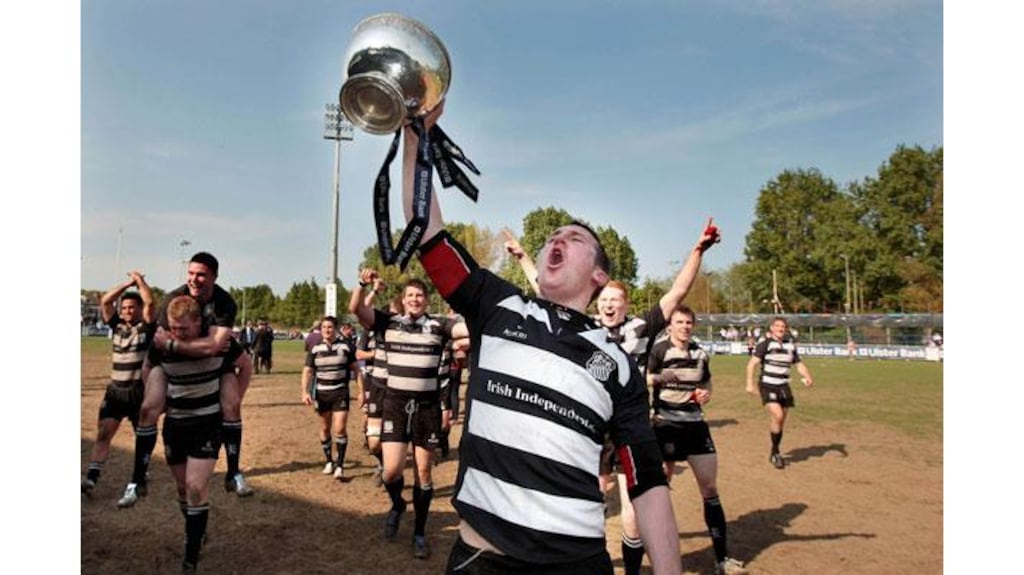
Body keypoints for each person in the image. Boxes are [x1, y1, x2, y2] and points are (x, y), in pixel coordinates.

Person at [401, 103, 682, 574]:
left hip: (575, 564)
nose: (557, 238)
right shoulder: (496, 303)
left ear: (598, 275)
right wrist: (415, 137)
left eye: (573, 237)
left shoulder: (618, 363)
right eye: (553, 234)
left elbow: (648, 482)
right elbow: (426, 231)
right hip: (480, 559)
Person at [592, 224, 720, 575]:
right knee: (591, 503)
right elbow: (545, 294)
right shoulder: (585, 331)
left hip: (628, 430)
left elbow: (677, 292)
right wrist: (526, 258)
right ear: (597, 303)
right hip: (590, 431)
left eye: (615, 300)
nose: (608, 304)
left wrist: (697, 252)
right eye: (603, 299)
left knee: (632, 516)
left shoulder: (641, 328)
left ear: (625, 305)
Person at [118, 251, 253, 507]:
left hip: (214, 366)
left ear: (214, 277)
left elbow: (215, 348)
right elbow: (159, 346)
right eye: (190, 273)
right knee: (148, 409)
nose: (194, 279)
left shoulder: (225, 303)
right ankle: (137, 479)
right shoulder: (172, 299)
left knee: (232, 405)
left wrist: (176, 345)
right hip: (171, 365)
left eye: (201, 274)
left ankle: (233, 472)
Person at [351, 270, 467, 560]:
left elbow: (467, 330)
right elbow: (356, 309)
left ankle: (419, 532)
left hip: (426, 408)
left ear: (426, 301)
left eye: (419, 296)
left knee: (423, 473)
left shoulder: (438, 325)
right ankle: (398, 505)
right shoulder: (388, 322)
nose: (415, 299)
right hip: (395, 405)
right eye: (410, 296)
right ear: (403, 301)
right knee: (391, 471)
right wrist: (362, 285)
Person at [147, 295, 251, 573]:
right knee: (182, 489)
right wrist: (158, 396)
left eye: (184, 328)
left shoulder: (219, 343)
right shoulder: (161, 343)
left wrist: (233, 401)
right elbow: (148, 369)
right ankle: (196, 529)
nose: (177, 333)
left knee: (195, 487)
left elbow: (246, 365)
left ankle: (190, 556)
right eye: (173, 328)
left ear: (198, 322)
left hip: (207, 424)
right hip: (175, 425)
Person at [645, 305, 746, 575]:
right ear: (670, 326)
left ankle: (722, 559)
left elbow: (708, 382)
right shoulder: (660, 350)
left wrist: (706, 393)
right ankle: (656, 551)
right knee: (658, 491)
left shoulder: (701, 353)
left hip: (696, 426)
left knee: (710, 488)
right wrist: (659, 377)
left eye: (689, 322)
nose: (685, 326)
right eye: (679, 322)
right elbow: (644, 377)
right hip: (665, 425)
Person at [81, 271, 156, 496]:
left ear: (140, 310)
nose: (126, 311)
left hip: (138, 393)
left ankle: (141, 475)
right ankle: (91, 479)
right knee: (104, 434)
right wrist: (127, 284)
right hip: (115, 392)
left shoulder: (147, 328)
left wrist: (141, 282)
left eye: (132, 307)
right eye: (123, 308)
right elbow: (105, 301)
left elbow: (151, 302)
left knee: (142, 437)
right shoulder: (116, 326)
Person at [745, 316, 815, 469]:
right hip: (767, 384)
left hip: (784, 386)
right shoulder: (765, 344)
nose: (780, 329)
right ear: (772, 328)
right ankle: (776, 453)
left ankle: (774, 450)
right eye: (777, 326)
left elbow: (799, 364)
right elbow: (752, 364)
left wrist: (807, 376)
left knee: (780, 421)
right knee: (778, 415)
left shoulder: (790, 346)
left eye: (783, 326)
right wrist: (749, 384)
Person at [301, 315, 358, 481]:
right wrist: (305, 392)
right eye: (324, 327)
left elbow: (356, 369)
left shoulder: (346, 347)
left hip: (340, 392)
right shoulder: (315, 349)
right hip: (322, 393)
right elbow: (308, 371)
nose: (327, 330)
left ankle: (340, 465)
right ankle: (329, 461)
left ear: (336, 328)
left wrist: (362, 391)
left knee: (339, 428)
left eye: (330, 327)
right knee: (325, 428)